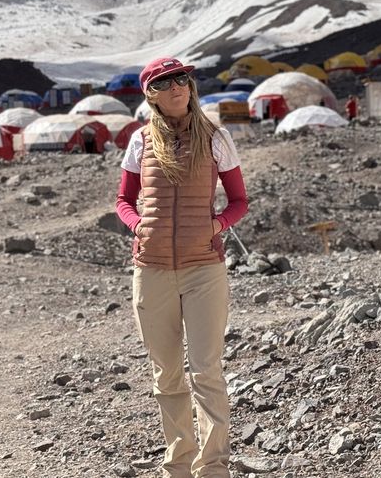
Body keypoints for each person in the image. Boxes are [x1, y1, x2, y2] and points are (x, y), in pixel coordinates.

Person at [116, 56, 249, 478]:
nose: (177, 87)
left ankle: (213, 469)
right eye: (164, 82)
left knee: (206, 369)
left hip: (203, 268)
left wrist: (216, 224)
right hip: (151, 269)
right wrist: (138, 227)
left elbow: (239, 200)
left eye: (182, 79)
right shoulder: (139, 141)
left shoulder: (216, 137)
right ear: (150, 94)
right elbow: (122, 200)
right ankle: (177, 467)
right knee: (167, 375)